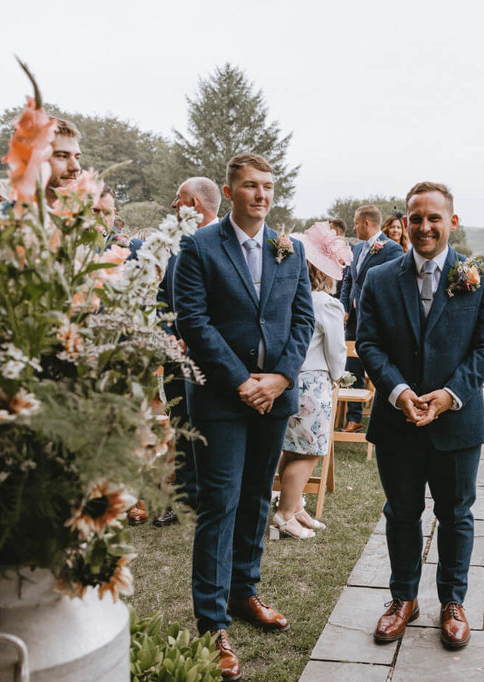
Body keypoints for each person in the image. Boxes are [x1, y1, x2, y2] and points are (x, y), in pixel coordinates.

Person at [173, 153, 314, 680]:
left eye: (268, 187)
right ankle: (212, 622)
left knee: (259, 495)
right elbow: (193, 319)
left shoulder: (290, 249)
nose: (261, 195)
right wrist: (240, 381)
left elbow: (301, 317)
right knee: (220, 503)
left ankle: (244, 593)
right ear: (229, 193)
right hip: (220, 397)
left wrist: (278, 378)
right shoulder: (198, 246)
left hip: (273, 395)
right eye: (251, 186)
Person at [356, 181, 484, 651]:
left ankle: (453, 602)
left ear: (452, 222)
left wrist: (449, 395)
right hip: (396, 421)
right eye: (416, 217)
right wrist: (398, 392)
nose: (424, 227)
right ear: (405, 220)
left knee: (456, 514)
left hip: (457, 422)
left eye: (434, 218)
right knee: (401, 514)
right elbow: (369, 343)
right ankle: (403, 599)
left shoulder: (481, 277)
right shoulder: (380, 278)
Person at [271, 221, 350, 539]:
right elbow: (336, 349)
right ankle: (285, 513)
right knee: (311, 451)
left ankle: (296, 506)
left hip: (288, 381)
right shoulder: (327, 305)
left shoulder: (287, 299)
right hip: (314, 384)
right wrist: (338, 376)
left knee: (290, 448)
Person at [150, 177, 222, 528]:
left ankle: (214, 500)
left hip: (209, 357)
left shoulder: (225, 244)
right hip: (175, 355)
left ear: (194, 203)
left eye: (178, 200)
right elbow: (163, 295)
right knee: (181, 426)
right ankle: (186, 501)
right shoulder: (178, 245)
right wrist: (168, 334)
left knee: (210, 429)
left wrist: (193, 339)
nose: (173, 206)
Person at [339, 205, 403, 432]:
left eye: (356, 223)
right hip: (354, 320)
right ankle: (353, 418)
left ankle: (386, 417)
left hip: (377, 321)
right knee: (352, 367)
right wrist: (345, 305)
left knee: (379, 367)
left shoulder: (392, 249)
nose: (354, 227)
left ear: (366, 223)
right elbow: (349, 280)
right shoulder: (355, 250)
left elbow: (395, 286)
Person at [45, 118, 82, 207]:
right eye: (62, 156)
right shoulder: (8, 218)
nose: (76, 167)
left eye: (77, 158)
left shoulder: (84, 219)